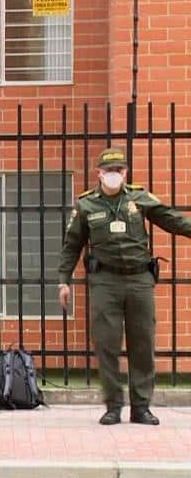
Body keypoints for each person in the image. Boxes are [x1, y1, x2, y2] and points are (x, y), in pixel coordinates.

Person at [59, 147, 191, 426]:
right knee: (106, 343)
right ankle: (113, 406)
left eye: (118, 170)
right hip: (105, 281)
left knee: (142, 342)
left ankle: (141, 407)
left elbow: (171, 219)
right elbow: (72, 246)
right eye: (108, 171)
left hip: (139, 279)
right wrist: (64, 281)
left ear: (125, 173)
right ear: (99, 174)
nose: (113, 175)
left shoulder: (139, 198)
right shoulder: (86, 205)